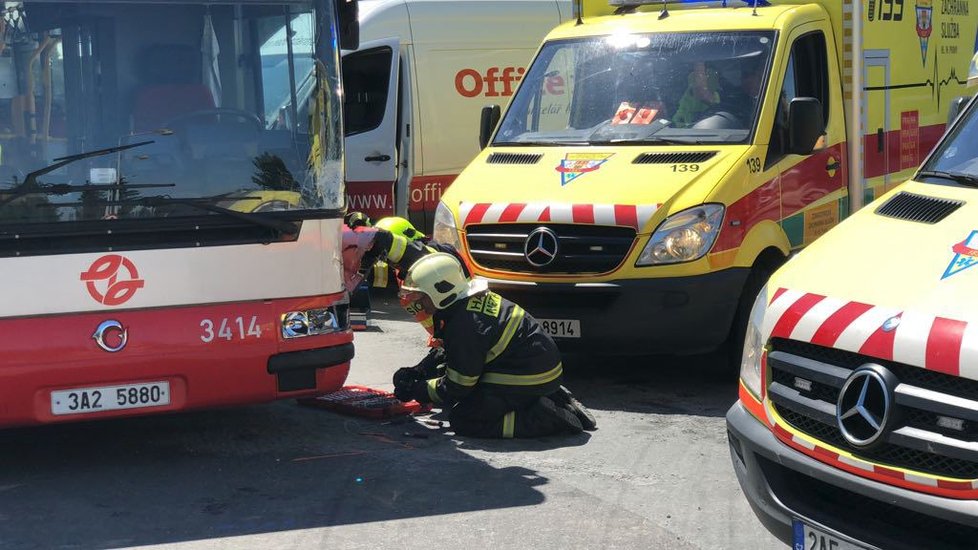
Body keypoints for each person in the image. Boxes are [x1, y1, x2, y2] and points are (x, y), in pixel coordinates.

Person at [391, 252, 597, 438]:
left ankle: (545, 418)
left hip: (527, 377)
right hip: (538, 368)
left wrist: (417, 390)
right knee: (450, 373)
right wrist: (419, 371)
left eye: (421, 297)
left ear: (440, 292)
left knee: (465, 418)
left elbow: (457, 387)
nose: (416, 303)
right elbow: (450, 353)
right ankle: (555, 398)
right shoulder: (468, 303)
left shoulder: (464, 325)